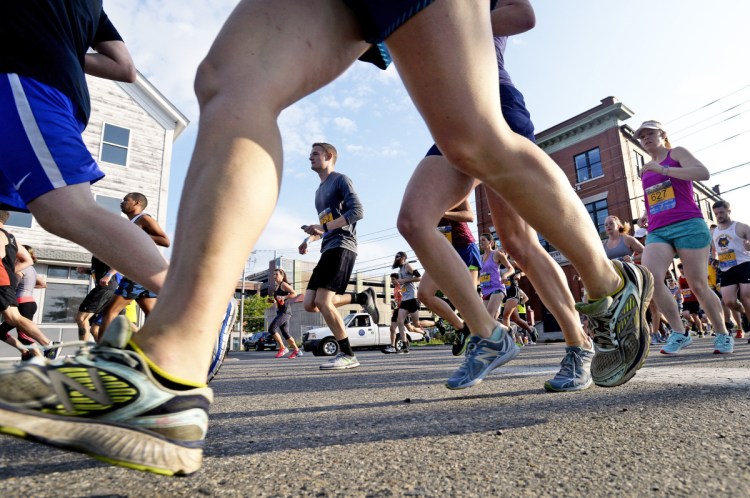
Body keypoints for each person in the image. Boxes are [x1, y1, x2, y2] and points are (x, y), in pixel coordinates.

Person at [0, 1, 651, 475]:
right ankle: (170, 370)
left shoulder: (340, 184)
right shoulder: (319, 187)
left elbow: (523, 13)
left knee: (474, 136)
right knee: (231, 82)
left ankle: (607, 284)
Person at [397, 1, 610, 392]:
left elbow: (523, 15)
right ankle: (488, 333)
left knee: (519, 242)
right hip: (450, 114)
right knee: (412, 221)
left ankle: (580, 344)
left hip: (493, 99)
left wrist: (450, 26)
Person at [634, 120, 732, 355]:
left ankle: (722, 334)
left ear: (662, 135)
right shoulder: (645, 169)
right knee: (651, 278)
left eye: (650, 133)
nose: (646, 138)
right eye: (642, 136)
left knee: (697, 284)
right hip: (658, 229)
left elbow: (703, 173)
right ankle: (679, 333)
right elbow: (662, 194)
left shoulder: (675, 153)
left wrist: (664, 170)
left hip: (688, 224)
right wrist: (647, 213)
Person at [299, 143, 378, 370]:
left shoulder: (341, 180)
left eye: (315, 153)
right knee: (310, 304)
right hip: (327, 247)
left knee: (323, 301)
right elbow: (325, 226)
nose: (309, 157)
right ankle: (361, 298)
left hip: (344, 245)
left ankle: (348, 354)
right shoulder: (318, 193)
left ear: (328, 156)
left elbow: (357, 212)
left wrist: (323, 228)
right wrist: (309, 240)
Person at [98, 193, 170, 336]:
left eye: (126, 200)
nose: (122, 202)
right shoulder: (130, 223)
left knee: (110, 312)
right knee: (153, 318)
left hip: (139, 272)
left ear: (137, 203)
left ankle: (101, 354)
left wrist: (136, 234)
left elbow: (165, 241)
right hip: (145, 273)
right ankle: (160, 350)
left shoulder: (144, 219)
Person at [416, 199, 476, 356]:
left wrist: (443, 213)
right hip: (441, 250)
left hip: (464, 247)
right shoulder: (422, 197)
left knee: (469, 298)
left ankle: (494, 338)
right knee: (424, 293)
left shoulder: (454, 191)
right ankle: (463, 329)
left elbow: (470, 216)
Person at [0, 212, 59, 358]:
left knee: (15, 321)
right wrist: (9, 271)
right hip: (10, 286)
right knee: (13, 320)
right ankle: (44, 347)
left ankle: (44, 349)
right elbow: (28, 260)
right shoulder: (10, 237)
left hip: (3, 283)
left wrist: (8, 272)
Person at [711, 200, 750, 340]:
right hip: (726, 268)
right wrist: (714, 259)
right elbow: (714, 250)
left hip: (744, 264)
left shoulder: (741, 227)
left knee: (746, 296)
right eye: (716, 213)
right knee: (729, 302)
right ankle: (745, 313)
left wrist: (748, 246)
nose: (719, 215)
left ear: (729, 211)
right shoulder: (714, 232)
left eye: (721, 212)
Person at [0, 244, 47, 359]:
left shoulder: (20, 267)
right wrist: (27, 287)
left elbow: (14, 282)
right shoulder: (32, 269)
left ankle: (42, 360)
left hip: (22, 303)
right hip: (29, 302)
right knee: (1, 332)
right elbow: (43, 284)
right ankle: (26, 353)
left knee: (24, 337)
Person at [75, 256, 120, 342]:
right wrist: (86, 271)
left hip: (105, 288)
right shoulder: (96, 255)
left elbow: (118, 264)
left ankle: (84, 351)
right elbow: (101, 270)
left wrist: (108, 275)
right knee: (95, 329)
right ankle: (104, 351)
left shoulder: (102, 250)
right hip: (111, 291)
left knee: (82, 319)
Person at [268, 268, 302, 358]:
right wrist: (272, 301)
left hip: (285, 312)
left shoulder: (283, 284)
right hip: (280, 311)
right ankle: (297, 350)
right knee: (285, 333)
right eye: (274, 274)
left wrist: (284, 297)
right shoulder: (277, 286)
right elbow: (278, 300)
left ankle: (283, 348)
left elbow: (294, 293)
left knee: (272, 329)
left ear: (282, 276)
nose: (275, 276)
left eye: (277, 274)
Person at [478, 234, 514, 320]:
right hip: (485, 290)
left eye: (483, 240)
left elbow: (511, 269)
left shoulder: (496, 254)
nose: (481, 242)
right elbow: (479, 276)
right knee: (487, 320)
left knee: (489, 318)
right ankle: (508, 330)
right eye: (480, 241)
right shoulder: (479, 257)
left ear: (491, 242)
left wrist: (505, 275)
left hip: (497, 288)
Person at [392, 251, 421, 354]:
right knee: (400, 321)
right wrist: (398, 284)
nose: (396, 258)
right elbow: (402, 284)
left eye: (398, 256)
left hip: (413, 298)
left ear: (403, 258)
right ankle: (405, 345)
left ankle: (436, 323)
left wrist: (404, 281)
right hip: (404, 299)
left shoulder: (407, 266)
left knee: (416, 324)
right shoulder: (399, 270)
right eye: (395, 257)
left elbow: (418, 277)